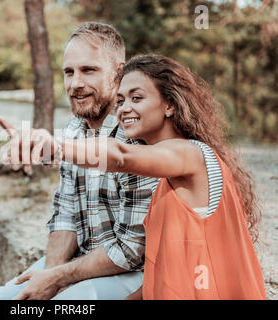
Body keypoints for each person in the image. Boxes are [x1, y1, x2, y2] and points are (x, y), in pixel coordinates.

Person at [42, 54, 267, 299]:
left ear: (169, 105)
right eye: (120, 100)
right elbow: (165, 271)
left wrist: (57, 149)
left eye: (136, 98)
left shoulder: (190, 155)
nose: (125, 108)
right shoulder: (163, 177)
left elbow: (121, 155)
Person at [0, 22, 159, 300]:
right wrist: (50, 279)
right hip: (84, 260)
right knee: (5, 298)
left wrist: (59, 280)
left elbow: (131, 250)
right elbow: (65, 214)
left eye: (88, 70)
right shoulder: (73, 129)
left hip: (136, 272)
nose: (76, 84)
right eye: (69, 72)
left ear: (119, 73)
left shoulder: (134, 131)